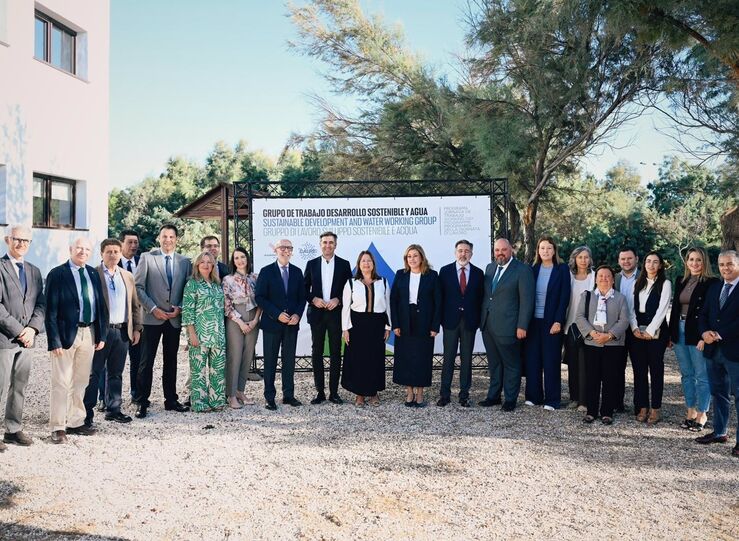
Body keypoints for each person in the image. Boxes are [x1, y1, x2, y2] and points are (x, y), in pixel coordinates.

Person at [45, 237, 108, 444]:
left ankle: (75, 421)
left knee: (81, 381)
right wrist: (53, 340)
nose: (83, 251)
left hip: (88, 333)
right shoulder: (57, 274)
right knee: (61, 382)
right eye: (79, 248)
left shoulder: (92, 273)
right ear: (70, 249)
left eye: (87, 249)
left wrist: (101, 334)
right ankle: (57, 427)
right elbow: (50, 311)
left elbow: (100, 305)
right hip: (65, 335)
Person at [134, 224, 192, 418]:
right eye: (164, 236)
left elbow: (189, 289)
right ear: (159, 238)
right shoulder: (147, 258)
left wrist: (181, 307)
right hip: (152, 319)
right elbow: (138, 287)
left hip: (174, 320)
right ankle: (141, 401)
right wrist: (153, 309)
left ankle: (171, 400)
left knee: (171, 361)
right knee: (146, 362)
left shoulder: (185, 262)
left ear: (176, 239)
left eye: (171, 237)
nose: (168, 240)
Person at [83, 239, 143, 426]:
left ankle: (114, 409)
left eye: (116, 251)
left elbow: (135, 305)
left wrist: (137, 328)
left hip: (122, 331)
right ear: (101, 253)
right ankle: (86, 412)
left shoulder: (127, 276)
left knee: (116, 373)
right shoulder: (93, 273)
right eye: (109, 251)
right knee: (95, 372)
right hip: (101, 332)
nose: (113, 255)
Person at [0, 225, 45, 451]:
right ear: (7, 240)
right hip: (5, 340)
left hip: (27, 340)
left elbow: (40, 304)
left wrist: (33, 330)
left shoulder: (35, 271)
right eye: (17, 239)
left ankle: (13, 430)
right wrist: (19, 331)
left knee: (19, 386)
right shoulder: (0, 267)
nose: (21, 244)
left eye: (26, 241)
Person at [480, 238, 535, 412]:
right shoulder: (490, 268)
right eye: (497, 250)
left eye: (504, 249)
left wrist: (522, 326)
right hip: (488, 324)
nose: (500, 253)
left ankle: (510, 399)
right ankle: (493, 396)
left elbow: (527, 301)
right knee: (494, 363)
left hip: (510, 326)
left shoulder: (522, 270)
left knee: (511, 363)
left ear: (511, 250)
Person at [668, 247, 718, 431]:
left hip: (698, 333)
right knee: (686, 374)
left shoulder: (712, 283)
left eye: (698, 260)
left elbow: (713, 312)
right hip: (679, 331)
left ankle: (702, 413)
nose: (694, 263)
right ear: (686, 262)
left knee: (701, 376)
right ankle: (690, 410)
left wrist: (705, 337)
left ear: (704, 262)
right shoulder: (681, 280)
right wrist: (671, 334)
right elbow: (674, 310)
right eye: (691, 259)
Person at [696, 250, 739, 458]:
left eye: (729, 264)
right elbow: (703, 314)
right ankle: (720, 432)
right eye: (722, 264)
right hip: (713, 350)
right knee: (718, 393)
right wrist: (704, 333)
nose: (725, 268)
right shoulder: (714, 288)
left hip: (735, 351)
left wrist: (719, 334)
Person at [576, 265, 630, 424]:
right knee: (591, 378)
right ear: (595, 278)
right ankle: (591, 411)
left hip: (613, 345)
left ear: (613, 280)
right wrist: (592, 333)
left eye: (607, 276)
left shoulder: (620, 298)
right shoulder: (587, 296)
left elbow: (624, 320)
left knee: (610, 378)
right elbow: (579, 317)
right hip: (592, 343)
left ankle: (607, 412)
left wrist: (609, 335)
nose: (604, 279)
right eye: (600, 276)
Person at [255, 239, 306, 410]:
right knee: (270, 361)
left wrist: (298, 314)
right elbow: (260, 297)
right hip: (272, 324)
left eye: (289, 248)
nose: (285, 251)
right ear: (276, 250)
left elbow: (302, 297)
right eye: (282, 248)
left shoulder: (298, 272)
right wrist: (277, 314)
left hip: (292, 324)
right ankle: (270, 397)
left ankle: (288, 395)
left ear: (292, 251)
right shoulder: (266, 271)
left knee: (289, 360)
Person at [303, 232, 352, 405]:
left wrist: (338, 299)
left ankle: (334, 392)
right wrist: (313, 299)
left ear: (336, 245)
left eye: (331, 242)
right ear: (320, 244)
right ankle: (320, 392)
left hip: (335, 314)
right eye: (325, 242)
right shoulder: (311, 264)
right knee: (316, 352)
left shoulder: (344, 265)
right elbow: (303, 288)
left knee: (335, 353)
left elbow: (349, 290)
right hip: (316, 314)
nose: (328, 245)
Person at [390, 244, 441, 407]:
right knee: (406, 357)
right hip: (405, 321)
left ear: (422, 257)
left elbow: (438, 302)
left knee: (422, 357)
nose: (412, 259)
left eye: (415, 256)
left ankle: (420, 392)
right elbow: (394, 300)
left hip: (424, 322)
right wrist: (395, 324)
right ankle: (409, 392)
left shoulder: (432, 275)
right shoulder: (401, 274)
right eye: (409, 256)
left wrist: (435, 326)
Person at [524, 236, 570, 410]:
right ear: (537, 250)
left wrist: (559, 320)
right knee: (533, 359)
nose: (545, 251)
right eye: (542, 248)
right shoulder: (531, 269)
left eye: (549, 248)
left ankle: (552, 400)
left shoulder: (562, 269)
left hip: (552, 322)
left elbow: (564, 297)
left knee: (551, 360)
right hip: (533, 322)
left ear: (554, 250)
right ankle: (533, 396)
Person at [341, 251, 391, 406]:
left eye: (369, 260)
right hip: (357, 325)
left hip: (377, 324)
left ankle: (374, 393)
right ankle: (359, 394)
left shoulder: (382, 281)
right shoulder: (351, 282)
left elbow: (387, 305)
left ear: (373, 264)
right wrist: (345, 328)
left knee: (375, 358)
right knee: (358, 359)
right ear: (358, 264)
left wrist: (388, 326)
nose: (366, 263)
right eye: (363, 261)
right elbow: (346, 307)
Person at [437, 240, 483, 408]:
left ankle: (464, 395)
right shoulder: (445, 271)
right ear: (455, 252)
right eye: (460, 251)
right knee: (448, 358)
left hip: (469, 322)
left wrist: (478, 320)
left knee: (466, 360)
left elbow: (480, 299)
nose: (463, 254)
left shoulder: (479, 273)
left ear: (471, 253)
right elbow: (440, 298)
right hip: (450, 322)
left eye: (466, 251)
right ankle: (444, 395)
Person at [628, 251, 671, 425]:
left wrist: (650, 331)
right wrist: (635, 328)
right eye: (648, 261)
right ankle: (642, 406)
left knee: (656, 371)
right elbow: (631, 309)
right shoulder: (637, 282)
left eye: (655, 262)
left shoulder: (665, 283)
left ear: (660, 265)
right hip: (638, 332)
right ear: (644, 264)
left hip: (657, 332)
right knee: (639, 372)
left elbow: (663, 309)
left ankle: (655, 408)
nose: (651, 265)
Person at [182, 252, 227, 412]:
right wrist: (191, 334)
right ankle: (199, 403)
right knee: (198, 372)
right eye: (203, 262)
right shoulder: (192, 284)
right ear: (197, 265)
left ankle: (216, 400)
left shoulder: (216, 284)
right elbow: (187, 312)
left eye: (209, 262)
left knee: (218, 370)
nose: (206, 265)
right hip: (199, 335)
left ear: (213, 265)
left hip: (218, 334)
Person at [222, 248, 261, 409]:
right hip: (235, 319)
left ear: (247, 258)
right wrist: (241, 322)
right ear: (233, 261)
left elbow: (261, 300)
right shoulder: (228, 279)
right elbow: (226, 304)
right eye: (236, 258)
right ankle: (230, 394)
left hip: (253, 318)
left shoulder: (255, 277)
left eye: (242, 257)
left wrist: (255, 320)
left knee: (247, 356)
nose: (240, 260)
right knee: (235, 356)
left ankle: (240, 390)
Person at [563, 246, 594, 411]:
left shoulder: (594, 277)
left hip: (589, 328)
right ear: (574, 259)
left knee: (587, 365)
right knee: (573, 364)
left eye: (586, 257)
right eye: (580, 257)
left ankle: (586, 399)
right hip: (570, 326)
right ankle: (574, 398)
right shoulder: (569, 277)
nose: (583, 260)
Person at [614, 247, 639, 413]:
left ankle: (640, 405)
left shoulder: (645, 276)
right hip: (618, 328)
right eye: (623, 259)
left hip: (637, 328)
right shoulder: (615, 278)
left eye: (629, 258)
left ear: (636, 259)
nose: (626, 262)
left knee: (639, 368)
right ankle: (617, 403)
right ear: (619, 261)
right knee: (616, 367)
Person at [118, 229, 141, 403]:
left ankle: (136, 393)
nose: (133, 246)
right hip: (118, 321)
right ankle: (107, 398)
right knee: (111, 363)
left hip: (138, 319)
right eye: (129, 242)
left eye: (135, 242)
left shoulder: (142, 262)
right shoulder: (111, 262)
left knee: (138, 360)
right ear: (121, 244)